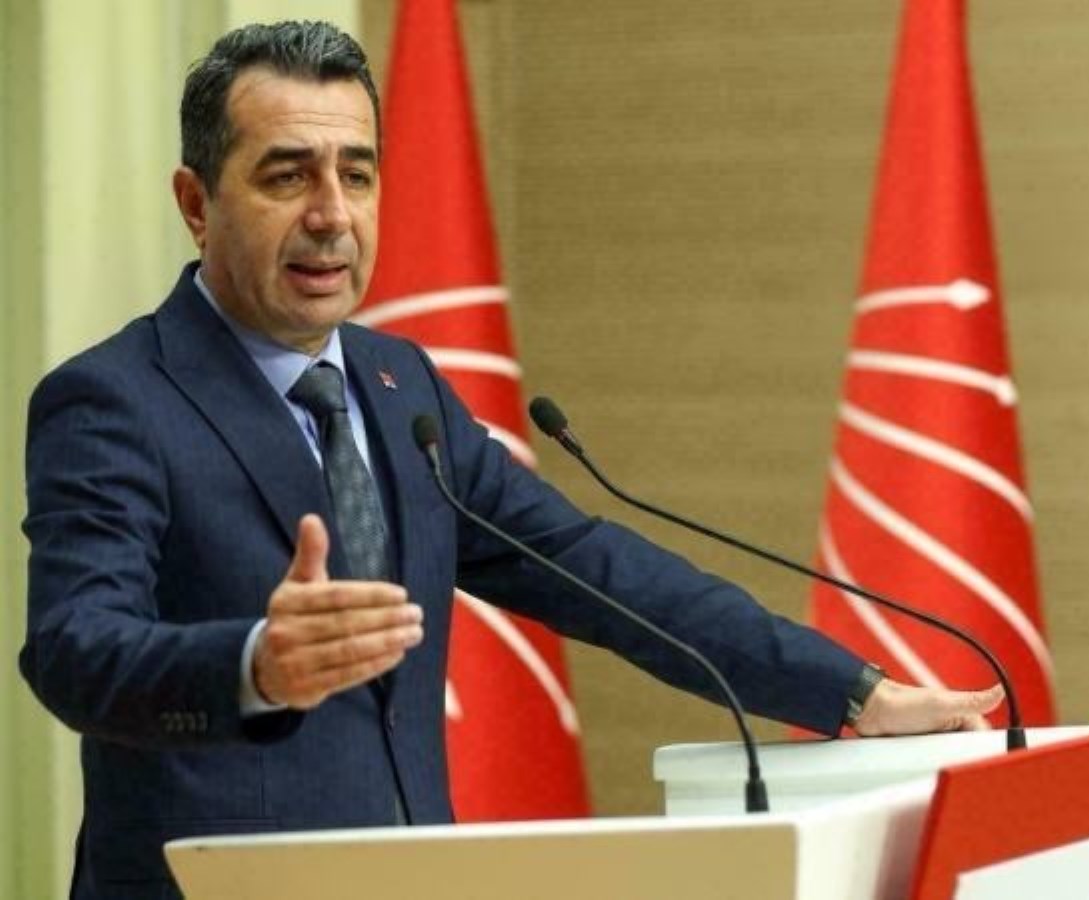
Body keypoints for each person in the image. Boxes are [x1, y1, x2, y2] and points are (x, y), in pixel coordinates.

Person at [20, 20, 1004, 900]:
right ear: (196, 203)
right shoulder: (115, 399)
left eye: (357, 174)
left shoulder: (400, 383)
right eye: (287, 176)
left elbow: (594, 571)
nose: (331, 214)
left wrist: (853, 694)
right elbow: (73, 650)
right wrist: (253, 667)